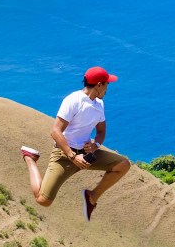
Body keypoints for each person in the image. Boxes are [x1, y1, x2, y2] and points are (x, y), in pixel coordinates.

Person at [21, 66, 131, 221]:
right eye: (107, 84)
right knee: (42, 200)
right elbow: (55, 132)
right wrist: (72, 156)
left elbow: (101, 132)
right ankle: (30, 158)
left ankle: (91, 198)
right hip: (65, 155)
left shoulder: (99, 104)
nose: (108, 88)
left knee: (123, 165)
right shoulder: (73, 100)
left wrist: (95, 145)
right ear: (99, 85)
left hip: (86, 155)